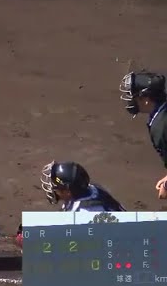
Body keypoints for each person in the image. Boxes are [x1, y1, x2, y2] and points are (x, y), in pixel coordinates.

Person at [15, 160, 126, 251]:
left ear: (67, 192)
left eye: (55, 186)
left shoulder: (83, 214)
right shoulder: (92, 189)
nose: (52, 188)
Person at [119, 70, 167, 199]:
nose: (130, 100)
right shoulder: (162, 111)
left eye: (133, 96)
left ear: (146, 99)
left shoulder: (161, 127)